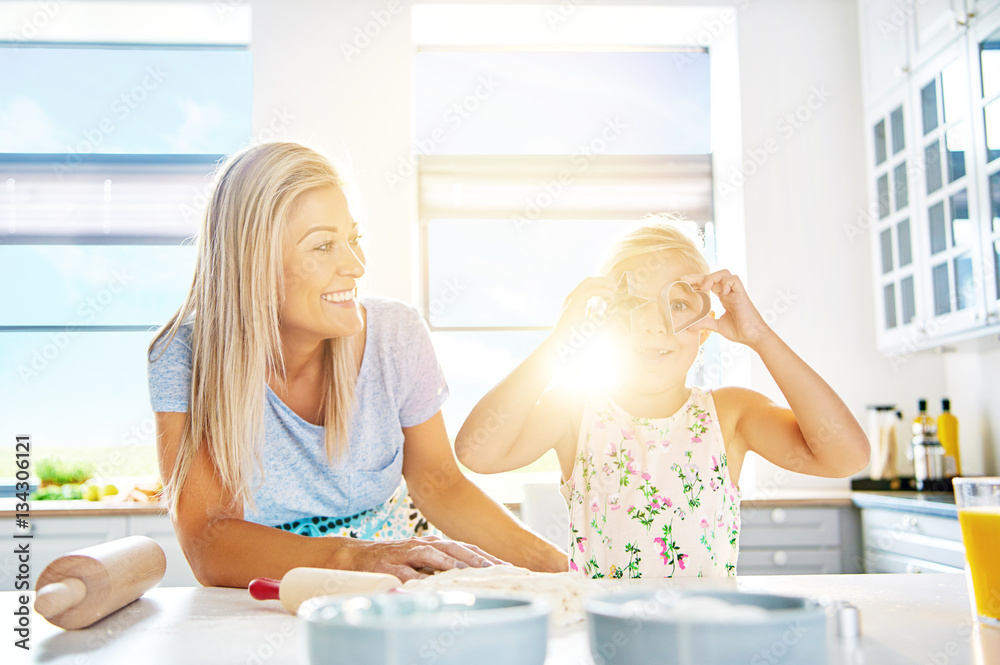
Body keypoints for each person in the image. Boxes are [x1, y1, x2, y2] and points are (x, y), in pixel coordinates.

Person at [148, 142, 566, 588]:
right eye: (324, 246)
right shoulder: (185, 357)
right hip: (275, 590)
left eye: (354, 238)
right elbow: (209, 543)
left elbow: (438, 484)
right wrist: (352, 558)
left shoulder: (397, 334)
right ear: (253, 264)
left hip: (400, 580)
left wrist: (557, 568)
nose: (357, 265)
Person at [454, 216, 870, 578]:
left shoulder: (730, 414)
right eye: (633, 304)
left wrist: (759, 337)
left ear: (705, 325)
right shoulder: (573, 410)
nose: (655, 326)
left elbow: (847, 457)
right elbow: (477, 453)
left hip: (703, 639)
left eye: (677, 304)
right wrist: (558, 342)